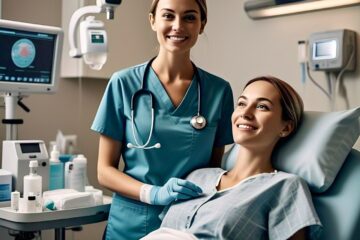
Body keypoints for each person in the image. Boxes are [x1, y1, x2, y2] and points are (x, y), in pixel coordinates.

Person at [91, 0, 234, 239]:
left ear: (201, 25)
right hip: (130, 226)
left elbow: (213, 171)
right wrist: (153, 193)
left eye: (189, 17)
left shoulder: (218, 91)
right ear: (152, 21)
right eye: (168, 16)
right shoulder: (123, 84)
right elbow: (105, 171)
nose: (178, 26)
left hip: (187, 224)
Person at [142, 76, 323, 240]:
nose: (245, 113)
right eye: (242, 104)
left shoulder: (285, 186)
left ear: (286, 128)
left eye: (262, 106)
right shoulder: (198, 176)